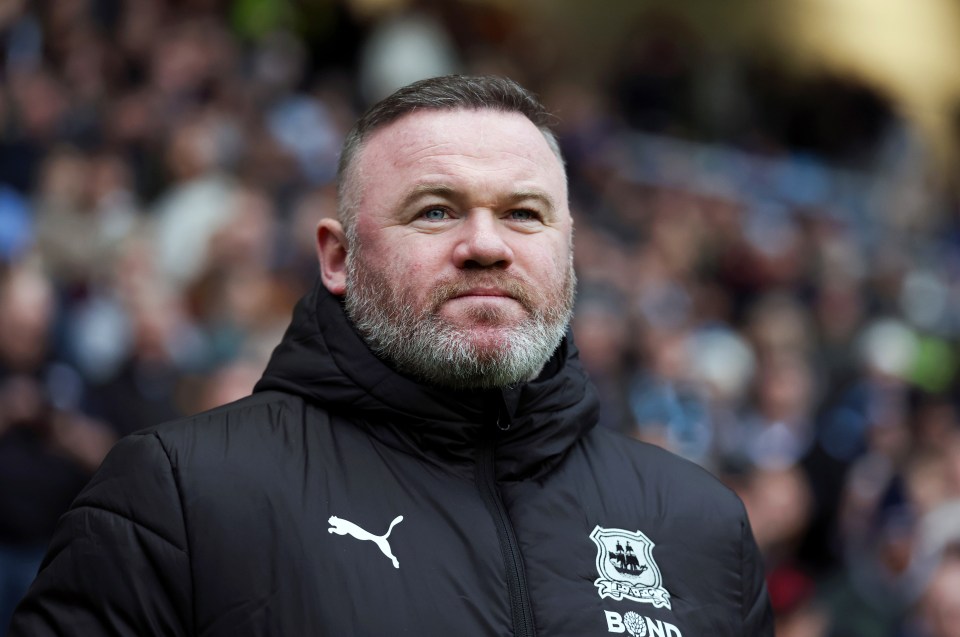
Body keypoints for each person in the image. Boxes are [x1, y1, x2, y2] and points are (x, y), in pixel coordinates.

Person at [9, 75, 772, 636]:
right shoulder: (179, 497)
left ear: (570, 254)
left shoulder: (702, 527)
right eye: (435, 210)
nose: (485, 244)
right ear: (338, 257)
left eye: (524, 213)